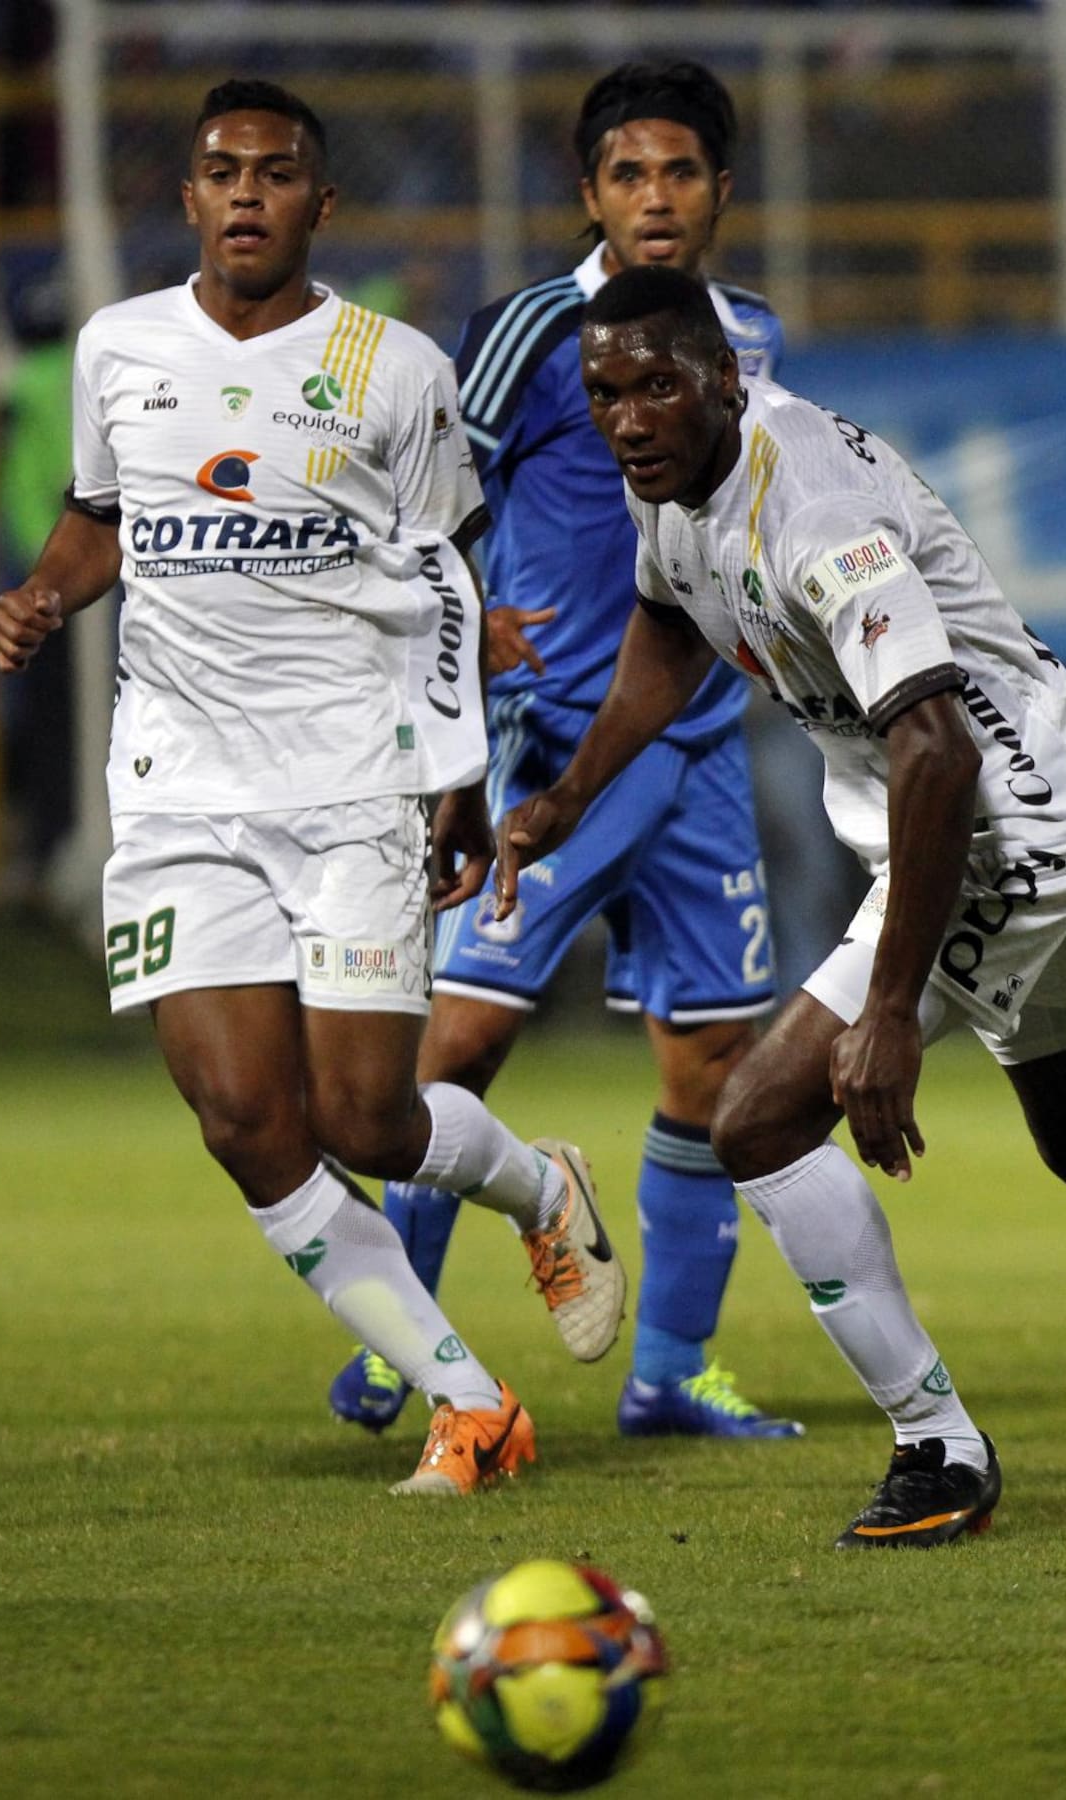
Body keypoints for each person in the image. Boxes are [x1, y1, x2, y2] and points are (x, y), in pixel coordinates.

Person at [0, 78, 627, 1499]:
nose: (245, 193)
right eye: (222, 171)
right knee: (241, 1120)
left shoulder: (393, 367)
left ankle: (540, 1187)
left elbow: (449, 579)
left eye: (275, 173)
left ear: (319, 204)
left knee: (364, 1120)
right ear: (189, 198)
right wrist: (44, 591)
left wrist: (459, 778)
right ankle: (473, 1404)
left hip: (353, 786)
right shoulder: (117, 347)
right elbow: (102, 517)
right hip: (176, 790)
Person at [495, 263, 1066, 1548]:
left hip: (1002, 827)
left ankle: (939, 1450)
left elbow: (938, 750)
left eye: (655, 387)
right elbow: (668, 627)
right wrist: (571, 795)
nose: (628, 419)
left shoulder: (811, 509)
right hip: (1018, 799)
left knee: (755, 1120)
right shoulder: (671, 480)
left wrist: (894, 1010)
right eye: (605, 394)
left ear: (723, 379)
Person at [329, 61, 804, 1444]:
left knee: (712, 1063)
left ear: (722, 189)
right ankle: (403, 1344)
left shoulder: (751, 332)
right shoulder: (530, 327)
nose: (657, 197)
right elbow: (426, 493)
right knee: (457, 1047)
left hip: (701, 746)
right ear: (590, 191)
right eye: (629, 174)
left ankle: (670, 1373)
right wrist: (459, 624)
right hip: (554, 744)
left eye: (682, 172)